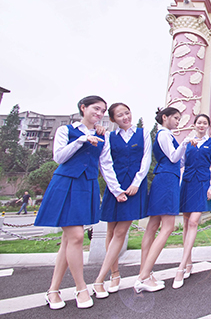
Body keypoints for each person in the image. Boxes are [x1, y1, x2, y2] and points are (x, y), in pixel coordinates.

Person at [35, 95, 120, 309]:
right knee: (76, 237)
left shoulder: (102, 135)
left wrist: (116, 190)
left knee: (68, 241)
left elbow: (106, 165)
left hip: (87, 185)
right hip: (65, 184)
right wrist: (81, 140)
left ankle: (53, 290)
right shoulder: (66, 130)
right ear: (83, 108)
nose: (99, 113)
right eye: (96, 108)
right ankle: (81, 288)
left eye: (103, 111)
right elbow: (59, 157)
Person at [93, 103, 151, 297]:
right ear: (112, 119)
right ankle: (114, 274)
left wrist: (136, 183)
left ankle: (99, 279)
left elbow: (146, 160)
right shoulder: (109, 136)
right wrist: (115, 188)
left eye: (127, 113)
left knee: (120, 231)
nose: (125, 117)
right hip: (114, 185)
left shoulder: (143, 133)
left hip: (134, 186)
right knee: (110, 231)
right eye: (120, 115)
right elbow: (105, 163)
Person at [135, 107, 194, 293]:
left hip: (164, 178)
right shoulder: (164, 134)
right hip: (167, 180)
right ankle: (143, 276)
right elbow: (174, 157)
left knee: (153, 226)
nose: (178, 121)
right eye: (175, 117)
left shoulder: (165, 134)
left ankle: (144, 273)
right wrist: (185, 142)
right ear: (164, 117)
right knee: (167, 227)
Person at [173, 114, 211, 289]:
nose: (201, 125)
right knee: (186, 224)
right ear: (194, 124)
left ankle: (181, 267)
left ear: (208, 126)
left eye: (204, 123)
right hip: (187, 182)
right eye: (199, 122)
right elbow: (181, 163)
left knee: (193, 223)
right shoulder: (187, 142)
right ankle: (189, 262)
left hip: (202, 183)